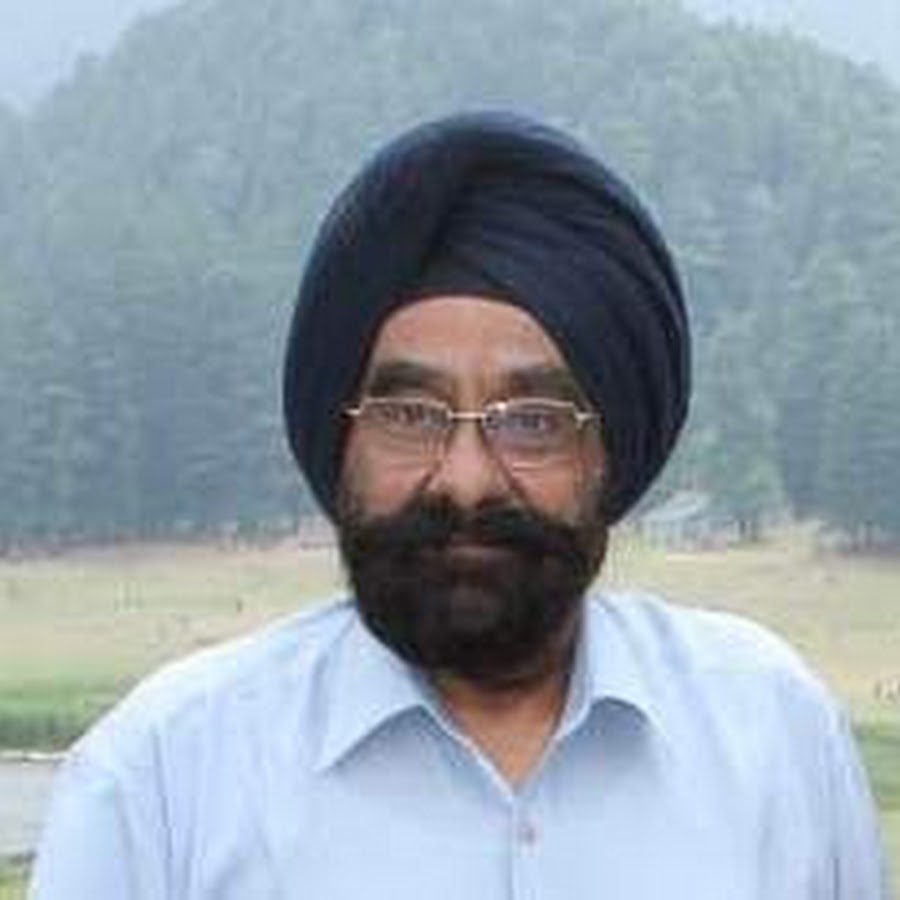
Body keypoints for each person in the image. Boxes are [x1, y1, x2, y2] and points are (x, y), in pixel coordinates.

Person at [30, 112, 890, 899]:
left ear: (609, 452)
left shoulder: (771, 735)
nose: (466, 480)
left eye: (533, 422)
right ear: (344, 440)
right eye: (410, 416)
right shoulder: (163, 779)